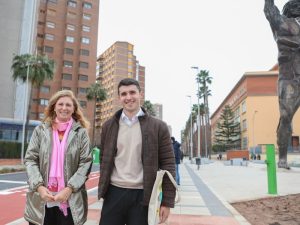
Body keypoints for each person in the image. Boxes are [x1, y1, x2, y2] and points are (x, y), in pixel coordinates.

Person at [98, 78, 176, 225]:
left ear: (140, 94)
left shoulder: (158, 127)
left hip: (143, 195)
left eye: (132, 92)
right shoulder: (108, 126)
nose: (128, 97)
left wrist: (167, 201)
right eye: (124, 94)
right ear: (119, 97)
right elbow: (104, 159)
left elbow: (168, 164)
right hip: (114, 193)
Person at [24, 90, 92, 225]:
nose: (64, 108)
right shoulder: (40, 131)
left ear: (74, 109)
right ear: (54, 107)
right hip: (42, 197)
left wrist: (69, 189)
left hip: (70, 199)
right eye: (60, 104)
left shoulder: (81, 133)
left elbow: (85, 163)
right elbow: (31, 159)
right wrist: (39, 187)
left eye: (68, 105)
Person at [264, 0, 300, 168]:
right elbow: (269, 9)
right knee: (286, 117)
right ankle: (283, 157)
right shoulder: (281, 23)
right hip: (289, 78)